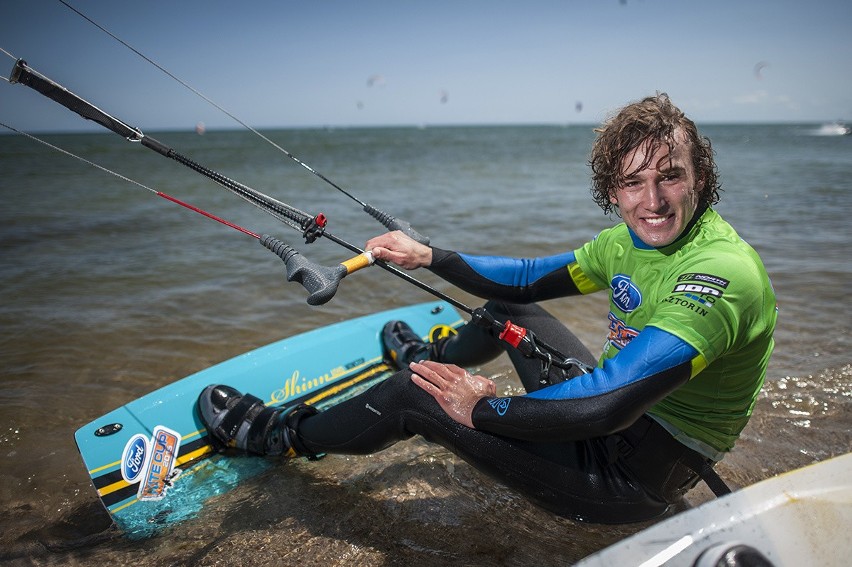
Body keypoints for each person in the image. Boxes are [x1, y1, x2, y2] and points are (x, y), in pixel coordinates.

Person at [197, 93, 777, 524]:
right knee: (508, 310)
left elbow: (604, 405)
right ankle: (434, 353)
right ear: (612, 190)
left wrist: (483, 408)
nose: (651, 201)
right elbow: (525, 281)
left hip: (629, 478)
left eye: (670, 177)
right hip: (622, 423)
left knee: (412, 396)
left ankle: (282, 436)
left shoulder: (719, 273)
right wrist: (428, 256)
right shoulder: (627, 242)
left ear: (699, 176)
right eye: (633, 183)